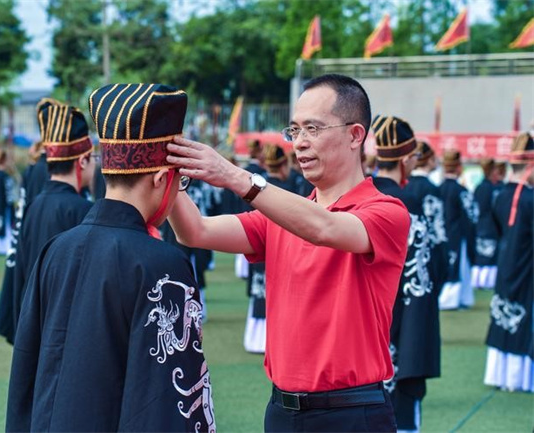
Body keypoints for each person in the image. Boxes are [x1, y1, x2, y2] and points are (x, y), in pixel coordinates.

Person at [167, 74, 409, 433]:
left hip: (353, 412)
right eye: (295, 130)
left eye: (313, 128)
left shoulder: (386, 212)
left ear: (355, 135)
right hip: (282, 411)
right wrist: (167, 168)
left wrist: (236, 176)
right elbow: (195, 230)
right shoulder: (279, 215)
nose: (300, 143)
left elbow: (323, 229)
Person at [6, 83, 215, 432]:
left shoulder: (55, 249)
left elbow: (26, 370)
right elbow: (169, 397)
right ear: (163, 178)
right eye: (181, 183)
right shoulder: (162, 263)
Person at [0, 102, 94, 345]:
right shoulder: (84, 211)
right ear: (82, 161)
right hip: (65, 336)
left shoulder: (35, 205)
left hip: (36, 330)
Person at [371, 115, 441, 433]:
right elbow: (421, 284)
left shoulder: (360, 196)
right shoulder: (408, 203)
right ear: (406, 159)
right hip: (398, 323)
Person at [484, 132, 534, 393]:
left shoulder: (500, 195)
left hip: (505, 262)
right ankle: (518, 379)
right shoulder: (530, 198)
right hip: (526, 267)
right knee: (523, 316)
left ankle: (500, 376)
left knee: (503, 312)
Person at [243, 144, 294, 354]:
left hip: (257, 242)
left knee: (259, 291)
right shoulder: (287, 188)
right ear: (283, 165)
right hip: (279, 245)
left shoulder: (256, 185)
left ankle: (255, 339)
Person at [438, 150, 479, 310]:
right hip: (457, 234)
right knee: (459, 266)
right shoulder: (462, 191)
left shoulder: (437, 189)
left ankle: (448, 298)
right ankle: (456, 299)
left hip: (440, 234)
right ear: (459, 167)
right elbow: (472, 215)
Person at [470, 158, 503, 290]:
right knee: (486, 257)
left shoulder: (483, 187)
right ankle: (483, 282)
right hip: (487, 225)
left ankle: (483, 281)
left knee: (485, 256)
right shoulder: (487, 188)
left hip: (484, 225)